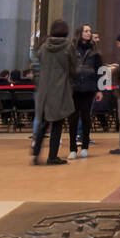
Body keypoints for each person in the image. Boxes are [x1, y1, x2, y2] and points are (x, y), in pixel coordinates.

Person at [31, 19, 77, 165]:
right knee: (57, 124)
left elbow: (38, 58)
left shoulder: (44, 47)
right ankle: (52, 156)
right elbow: (73, 67)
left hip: (44, 88)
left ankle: (36, 153)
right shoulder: (68, 47)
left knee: (43, 124)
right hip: (60, 88)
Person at [70, 24, 102, 158]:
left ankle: (85, 146)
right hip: (75, 87)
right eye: (86, 31)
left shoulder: (95, 51)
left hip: (89, 87)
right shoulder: (72, 49)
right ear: (80, 33)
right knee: (73, 118)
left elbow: (99, 71)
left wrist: (99, 90)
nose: (89, 33)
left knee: (85, 117)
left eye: (90, 31)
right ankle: (72, 149)